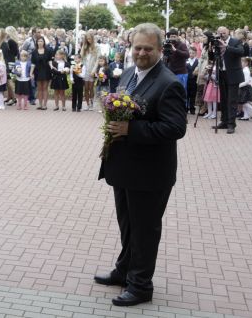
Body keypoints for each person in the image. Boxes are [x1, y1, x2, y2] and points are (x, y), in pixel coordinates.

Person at [96, 23, 186, 307]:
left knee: (145, 230)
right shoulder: (128, 74)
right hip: (124, 168)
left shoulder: (169, 83)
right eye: (137, 48)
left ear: (160, 50)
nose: (142, 53)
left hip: (150, 174)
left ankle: (140, 285)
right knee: (127, 226)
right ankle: (124, 271)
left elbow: (175, 128)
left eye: (148, 48)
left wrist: (130, 130)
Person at [213, 27, 244, 134]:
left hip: (233, 74)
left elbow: (241, 52)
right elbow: (214, 57)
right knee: (223, 99)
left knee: (232, 100)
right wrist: (211, 49)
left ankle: (231, 124)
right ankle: (224, 121)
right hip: (222, 73)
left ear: (228, 32)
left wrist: (227, 46)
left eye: (224, 32)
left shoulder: (235, 41)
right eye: (220, 33)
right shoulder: (217, 42)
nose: (222, 34)